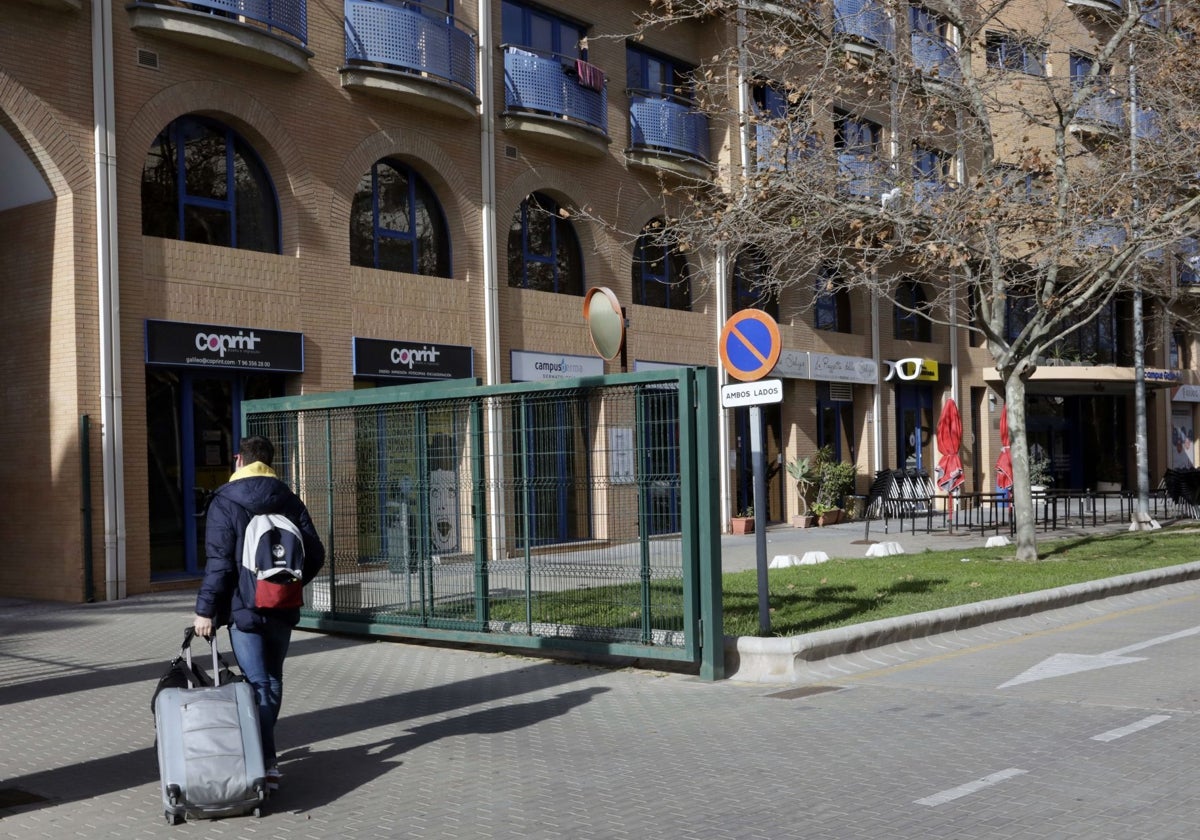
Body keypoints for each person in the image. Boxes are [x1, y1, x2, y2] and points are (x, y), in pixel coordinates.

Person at [193, 435, 325, 792]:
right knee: (272, 680)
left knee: (258, 684)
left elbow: (219, 564)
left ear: (239, 459)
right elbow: (315, 554)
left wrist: (205, 611)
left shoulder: (225, 500)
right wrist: (287, 583)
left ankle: (265, 761)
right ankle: (267, 758)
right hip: (282, 606)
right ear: (269, 462)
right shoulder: (288, 498)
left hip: (244, 607)